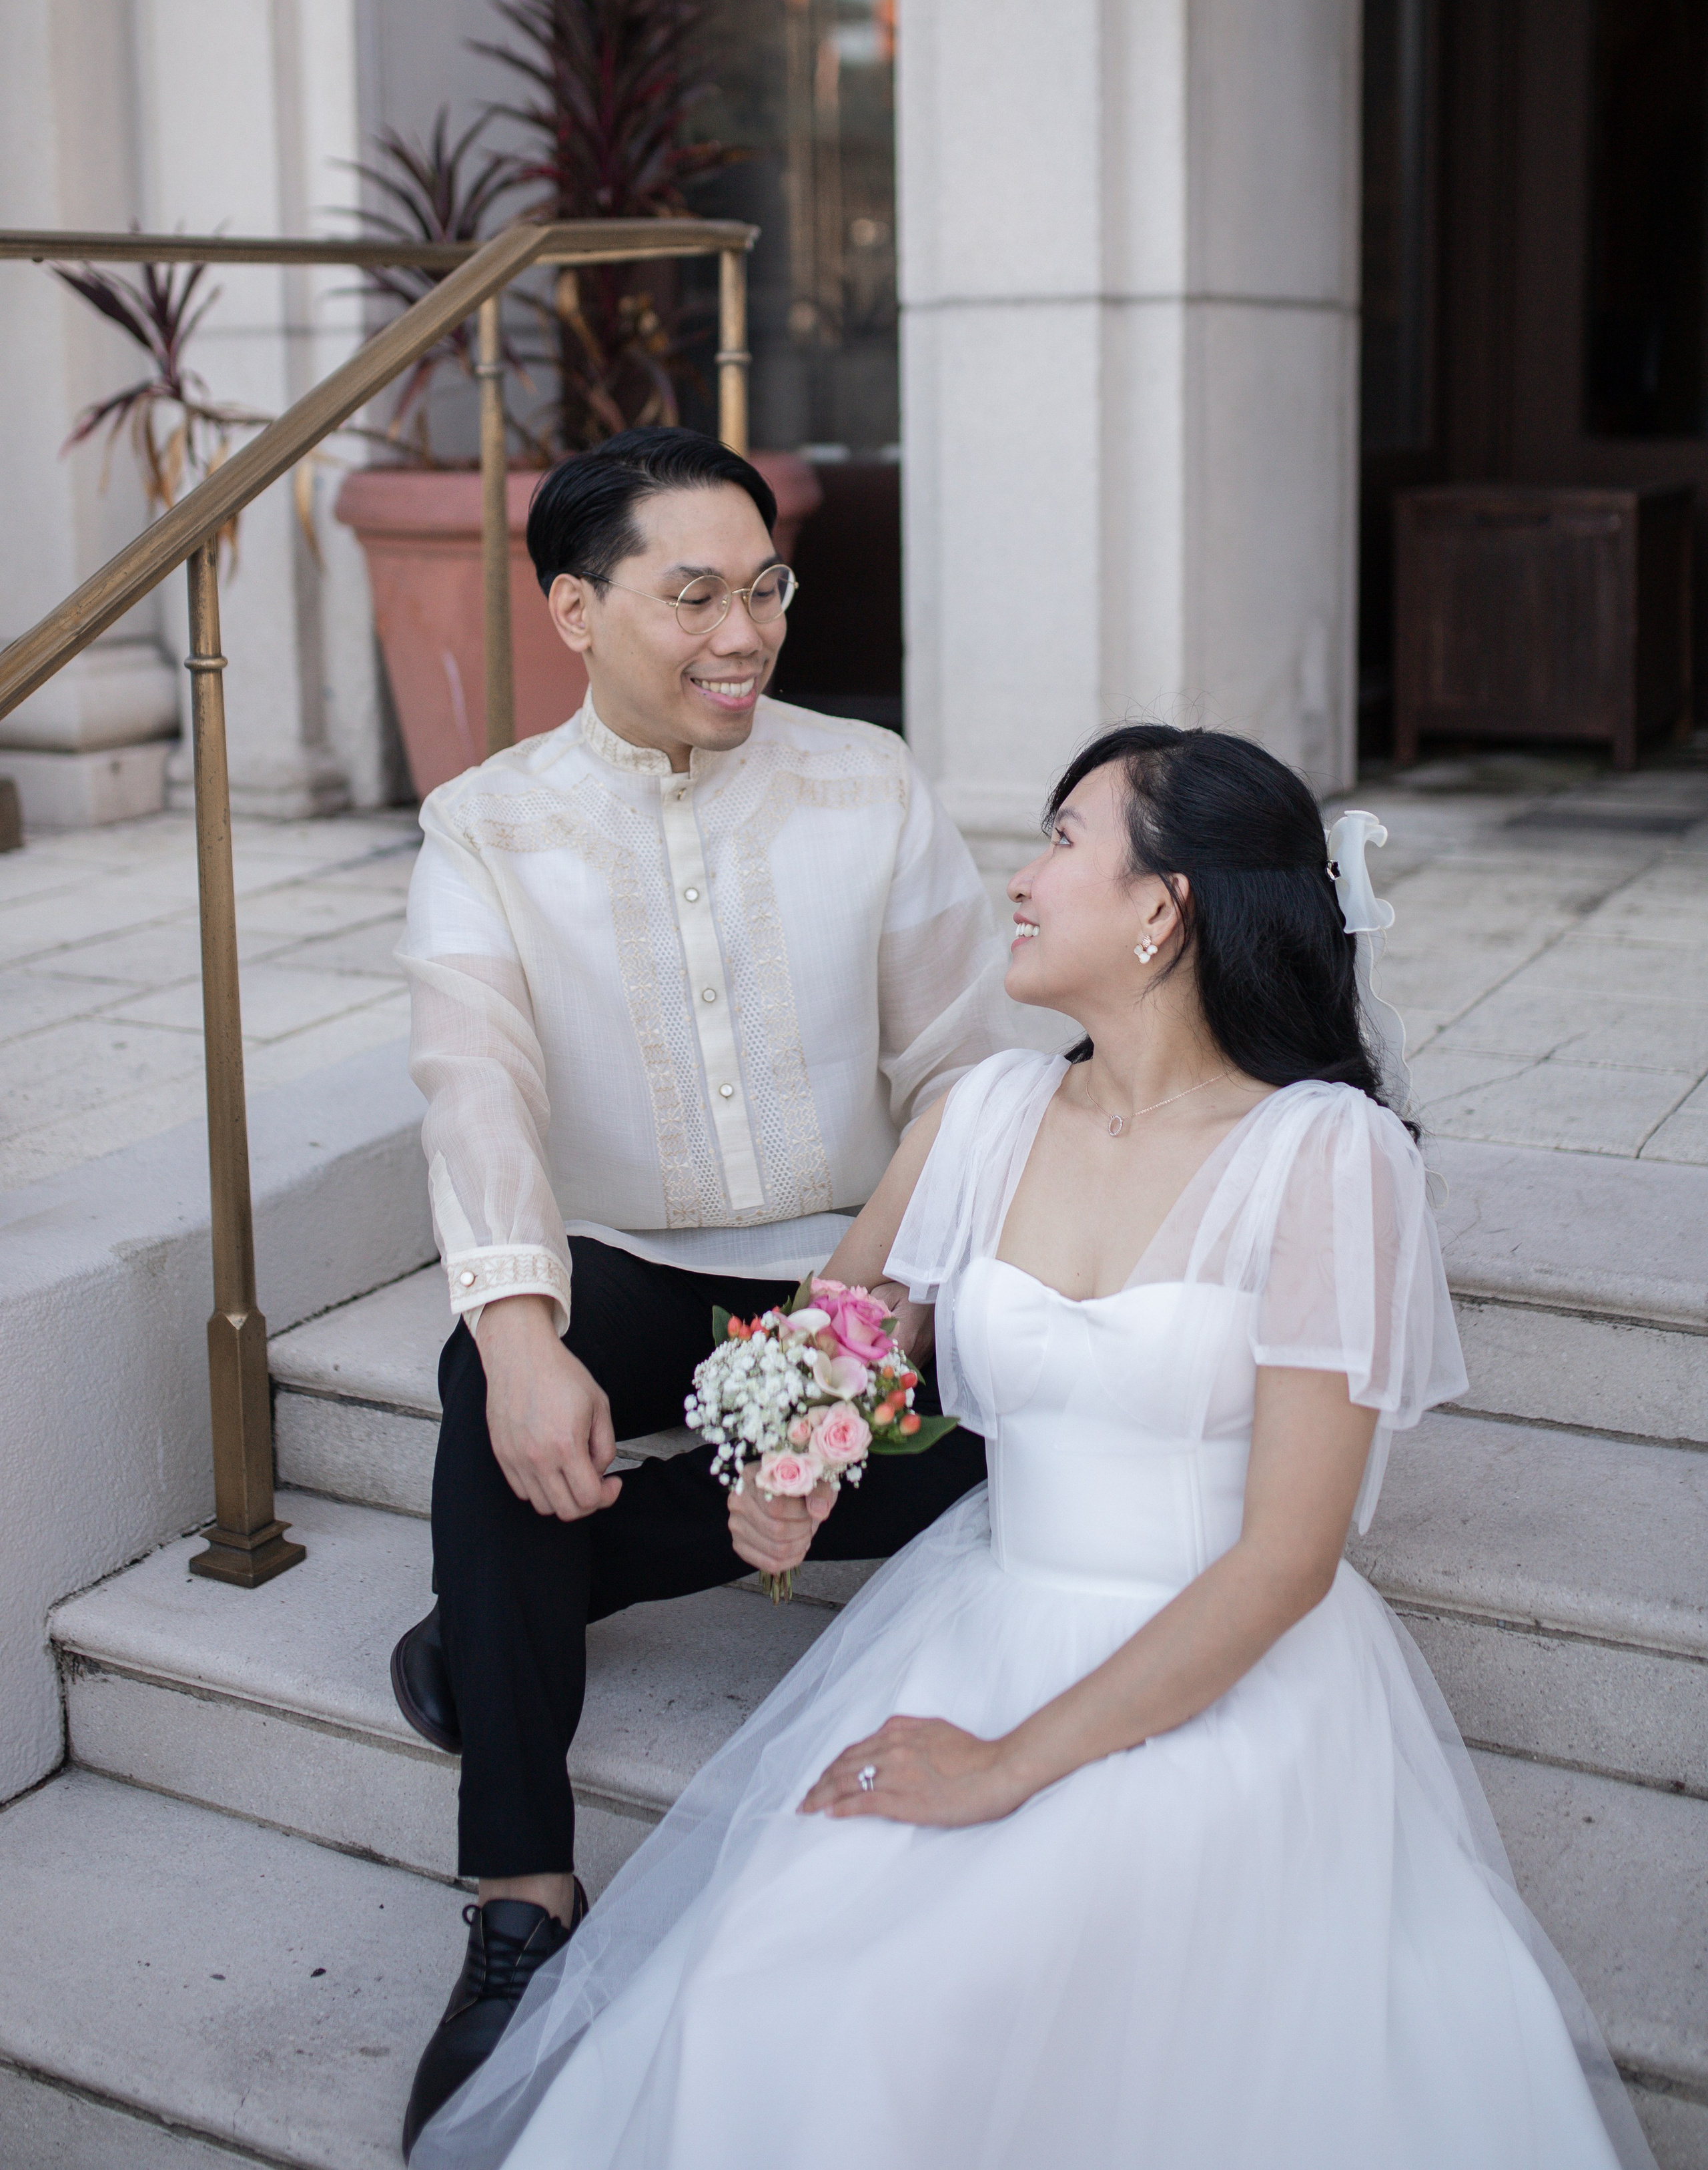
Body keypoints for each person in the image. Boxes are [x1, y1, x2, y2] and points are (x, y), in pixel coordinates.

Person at [410, 723, 1654, 2170]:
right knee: (775, 1998)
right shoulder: (983, 1116)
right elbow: (838, 1343)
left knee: (946, 2015)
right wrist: (786, 1476)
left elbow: (1286, 1559)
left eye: (1064, 839)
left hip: (1215, 1672)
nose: (1020, 875)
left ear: (1161, 907)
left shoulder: (1322, 1160)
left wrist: (1003, 1768)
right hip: (974, 1616)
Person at [392, 428, 1015, 2155]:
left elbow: (964, 1074)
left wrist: (868, 1308)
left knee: (1008, 1435)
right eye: (695, 595)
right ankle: (522, 1894)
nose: (744, 630)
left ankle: (507, 1600)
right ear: (574, 608)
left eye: (767, 587)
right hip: (627, 1267)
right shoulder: (486, 824)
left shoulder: (867, 781)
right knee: (485, 1380)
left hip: (849, 1257)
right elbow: (477, 1084)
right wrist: (521, 1335)